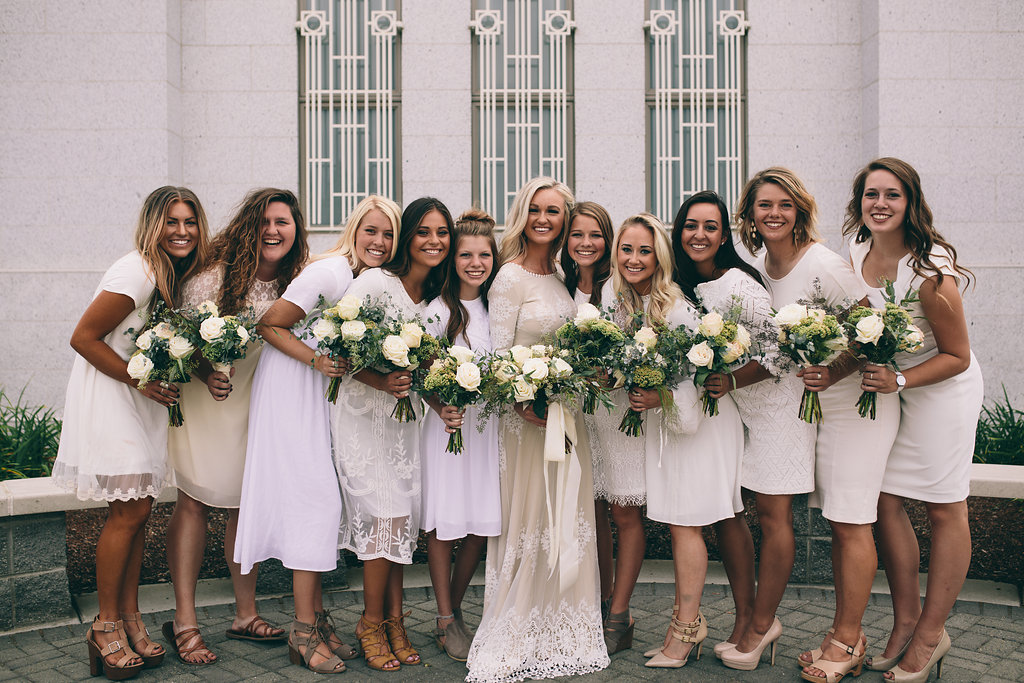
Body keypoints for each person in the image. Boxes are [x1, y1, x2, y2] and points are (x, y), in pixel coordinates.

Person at [737, 167, 899, 683]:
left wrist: (833, 372)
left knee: (851, 520)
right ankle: (842, 635)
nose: (775, 213)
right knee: (838, 520)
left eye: (785, 204)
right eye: (765, 205)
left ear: (800, 211)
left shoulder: (823, 264)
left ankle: (847, 641)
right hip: (814, 409)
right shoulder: (761, 266)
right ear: (751, 214)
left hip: (854, 405)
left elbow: (874, 331)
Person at [234, 194, 402, 674]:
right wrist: (316, 360)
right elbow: (270, 324)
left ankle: (319, 621)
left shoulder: (365, 280)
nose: (379, 241)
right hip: (292, 392)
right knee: (315, 503)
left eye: (388, 234)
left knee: (322, 505)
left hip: (318, 393)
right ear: (353, 230)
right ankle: (303, 631)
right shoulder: (330, 272)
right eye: (371, 231)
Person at [52, 186, 210, 680]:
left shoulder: (170, 275)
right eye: (171, 222)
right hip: (112, 396)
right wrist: (139, 381)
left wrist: (206, 372)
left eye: (189, 221)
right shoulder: (137, 271)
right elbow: (83, 337)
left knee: (138, 510)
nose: (182, 231)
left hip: (141, 399)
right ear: (152, 226)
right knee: (130, 511)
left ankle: (130, 617)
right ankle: (104, 627)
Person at [844, 158, 983, 683]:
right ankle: (905, 621)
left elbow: (958, 356)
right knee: (884, 500)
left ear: (910, 204)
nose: (879, 204)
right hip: (897, 389)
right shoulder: (856, 251)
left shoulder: (930, 272)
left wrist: (899, 379)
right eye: (871, 194)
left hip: (942, 393)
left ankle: (930, 634)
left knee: (945, 508)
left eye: (892, 195)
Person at [466, 177, 609, 682]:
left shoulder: (563, 275)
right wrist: (522, 400)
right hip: (526, 422)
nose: (544, 219)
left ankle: (565, 625)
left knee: (567, 517)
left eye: (553, 211)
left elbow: (581, 335)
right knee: (531, 518)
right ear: (522, 215)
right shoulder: (509, 277)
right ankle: (520, 624)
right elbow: (498, 354)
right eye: (535, 209)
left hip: (568, 417)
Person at [670, 190, 816, 670]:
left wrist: (732, 380)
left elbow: (781, 352)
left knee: (773, 516)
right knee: (730, 512)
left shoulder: (737, 283)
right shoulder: (688, 285)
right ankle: (744, 620)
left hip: (775, 408)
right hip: (738, 413)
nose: (699, 235)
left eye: (710, 227)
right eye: (691, 225)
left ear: (724, 236)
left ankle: (760, 625)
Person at [164, 188, 307, 664]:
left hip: (259, 403)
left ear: (296, 230)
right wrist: (207, 372)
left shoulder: (295, 280)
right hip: (210, 397)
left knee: (245, 505)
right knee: (195, 502)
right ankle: (184, 621)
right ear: (249, 225)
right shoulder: (212, 279)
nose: (273, 230)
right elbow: (177, 341)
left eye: (283, 222)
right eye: (264, 221)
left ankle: (245, 614)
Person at [608, 213, 743, 669]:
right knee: (678, 522)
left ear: (660, 257)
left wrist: (658, 395)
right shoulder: (629, 305)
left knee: (686, 524)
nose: (634, 258)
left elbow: (696, 380)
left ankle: (686, 631)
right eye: (627, 249)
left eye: (645, 251)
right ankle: (683, 626)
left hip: (699, 428)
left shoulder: (676, 308)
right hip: (669, 427)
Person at [333, 197, 452, 672]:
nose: (434, 241)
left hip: (404, 424)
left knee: (399, 522)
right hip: (362, 416)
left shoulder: (436, 303)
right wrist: (380, 381)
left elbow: (424, 371)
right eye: (424, 231)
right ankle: (369, 623)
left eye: (442, 233)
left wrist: (443, 405)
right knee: (383, 518)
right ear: (408, 237)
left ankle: (395, 623)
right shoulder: (375, 282)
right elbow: (340, 348)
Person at [562, 202, 646, 653]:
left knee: (623, 511)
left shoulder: (619, 286)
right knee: (590, 512)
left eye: (595, 234)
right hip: (575, 414)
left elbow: (641, 347)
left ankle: (620, 614)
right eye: (577, 234)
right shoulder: (559, 285)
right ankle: (596, 600)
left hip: (616, 413)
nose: (586, 243)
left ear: (608, 240)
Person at [420, 209, 501, 662]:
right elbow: (420, 373)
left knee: (480, 524)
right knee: (446, 520)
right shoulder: (437, 311)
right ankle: (446, 616)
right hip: (449, 429)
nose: (475, 263)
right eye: (466, 255)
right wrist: (440, 407)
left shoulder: (496, 309)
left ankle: (451, 610)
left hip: (487, 431)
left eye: (484, 255)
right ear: (452, 259)